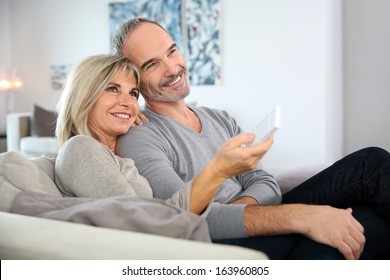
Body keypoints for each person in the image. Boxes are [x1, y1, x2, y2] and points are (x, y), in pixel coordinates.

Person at [112, 18, 390, 259]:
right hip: (223, 240)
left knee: (368, 176)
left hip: (256, 218)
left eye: (172, 51)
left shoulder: (220, 118)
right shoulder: (141, 137)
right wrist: (304, 217)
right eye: (152, 64)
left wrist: (241, 209)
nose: (172, 68)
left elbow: (266, 183)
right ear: (134, 78)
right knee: (346, 223)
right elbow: (182, 218)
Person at [54, 54, 273, 217]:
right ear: (84, 96)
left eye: (133, 93)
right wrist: (219, 170)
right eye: (112, 89)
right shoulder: (81, 148)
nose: (128, 102)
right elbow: (147, 224)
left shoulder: (119, 150)